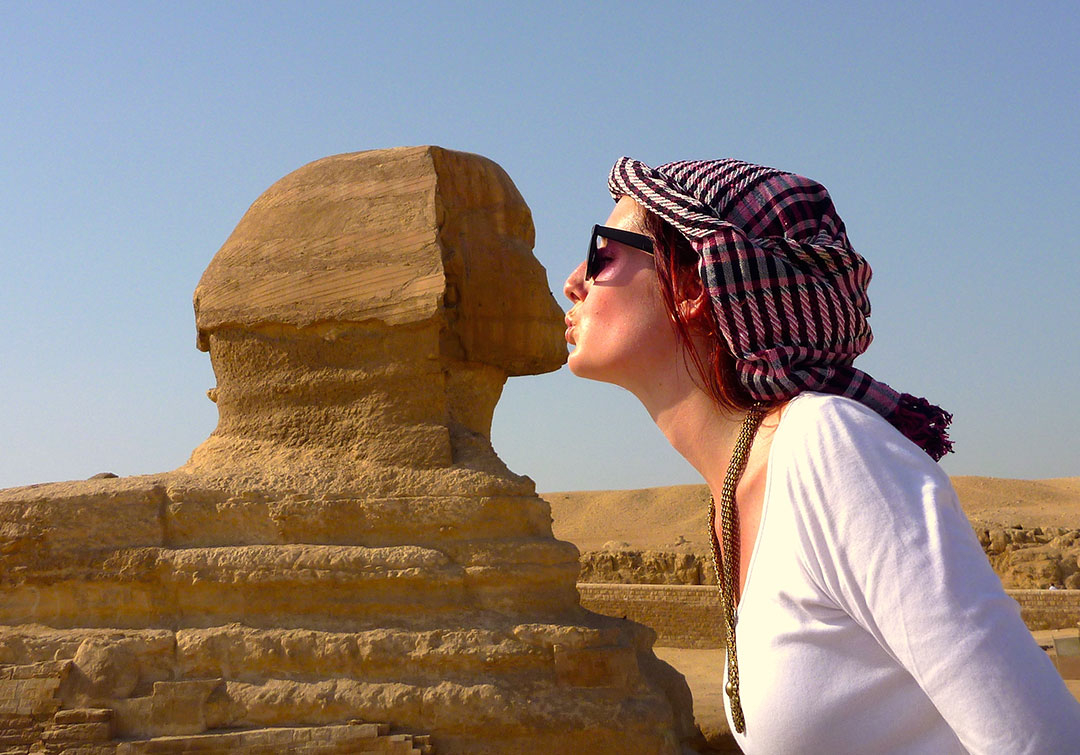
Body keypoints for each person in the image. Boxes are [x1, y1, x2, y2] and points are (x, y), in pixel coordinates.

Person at [562, 156, 1080, 753]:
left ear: (692, 288)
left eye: (603, 253)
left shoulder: (828, 448)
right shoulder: (735, 489)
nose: (575, 279)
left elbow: (1039, 741)